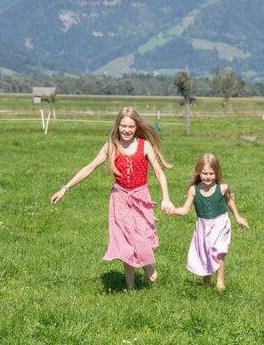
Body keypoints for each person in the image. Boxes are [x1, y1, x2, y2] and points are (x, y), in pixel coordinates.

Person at [51, 106, 174, 290]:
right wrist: (65, 188)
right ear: (117, 126)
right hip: (120, 199)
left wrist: (166, 198)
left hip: (140, 198)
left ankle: (147, 266)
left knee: (139, 237)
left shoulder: (144, 145)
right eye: (123, 126)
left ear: (136, 127)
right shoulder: (111, 146)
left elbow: (159, 173)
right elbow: (89, 167)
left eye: (131, 127)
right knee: (125, 245)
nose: (126, 130)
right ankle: (131, 288)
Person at [167, 153, 249, 291]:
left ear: (217, 173)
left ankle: (220, 281)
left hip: (220, 223)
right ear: (199, 172)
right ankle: (206, 280)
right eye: (205, 173)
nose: (208, 177)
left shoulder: (222, 187)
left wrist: (238, 217)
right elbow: (185, 209)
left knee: (219, 252)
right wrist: (173, 210)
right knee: (205, 253)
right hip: (203, 226)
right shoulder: (194, 189)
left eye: (211, 173)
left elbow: (229, 201)